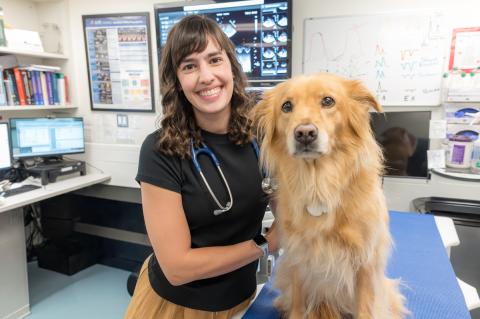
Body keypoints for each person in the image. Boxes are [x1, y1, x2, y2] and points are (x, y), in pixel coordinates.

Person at [124, 15, 278, 319]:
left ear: (232, 67)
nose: (206, 76)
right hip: (176, 307)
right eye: (190, 66)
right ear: (178, 82)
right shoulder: (160, 151)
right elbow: (178, 268)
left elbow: (291, 213)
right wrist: (265, 243)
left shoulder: (261, 137)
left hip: (244, 299)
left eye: (214, 60)